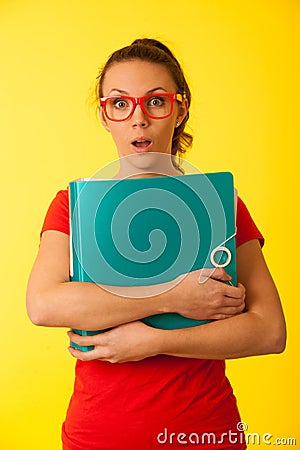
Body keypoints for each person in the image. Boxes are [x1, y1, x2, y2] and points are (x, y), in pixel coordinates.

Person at [26, 38, 286, 450]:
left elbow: (270, 332)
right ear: (105, 115)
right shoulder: (72, 207)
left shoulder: (221, 205)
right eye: (120, 103)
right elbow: (44, 305)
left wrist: (156, 340)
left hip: (206, 433)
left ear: (180, 109)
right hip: (98, 436)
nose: (139, 119)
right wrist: (172, 298)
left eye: (156, 101)